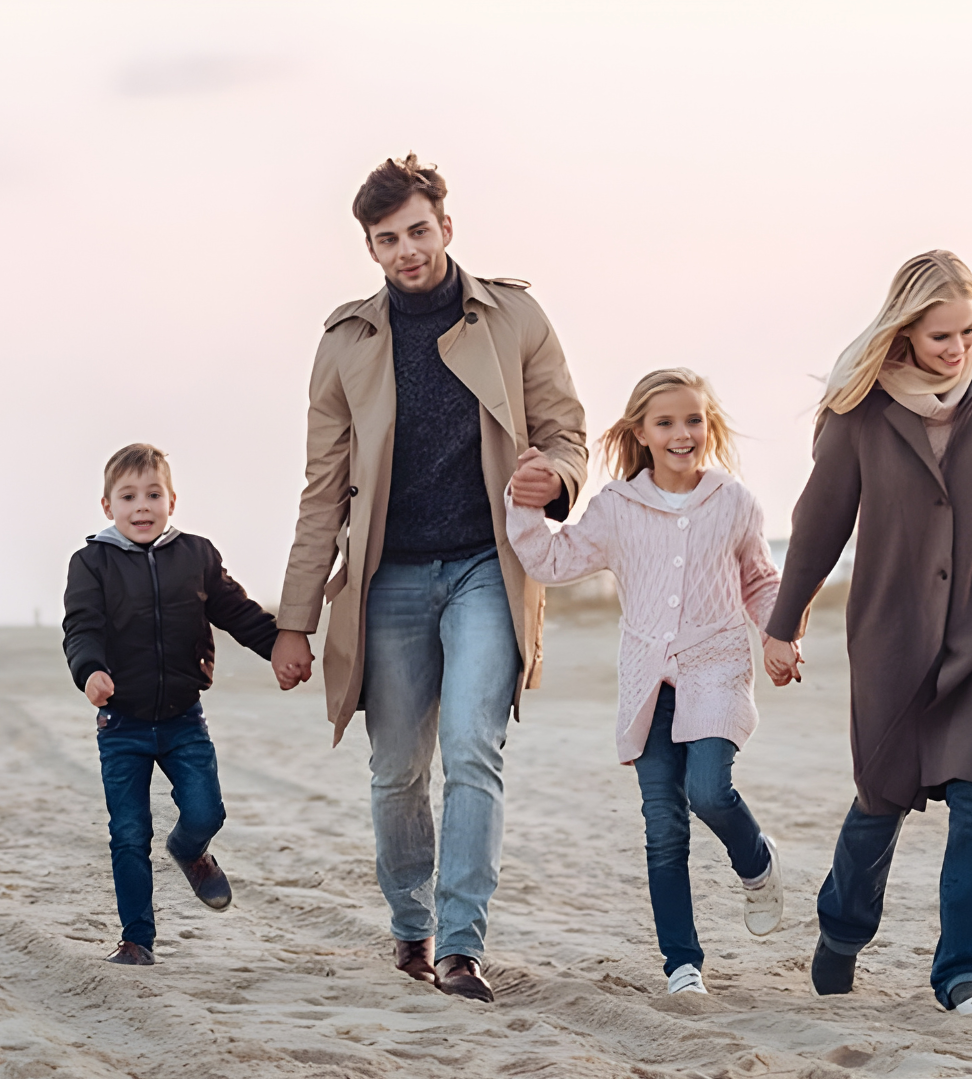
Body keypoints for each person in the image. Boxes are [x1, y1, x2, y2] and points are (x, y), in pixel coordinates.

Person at [271, 155, 589, 1002]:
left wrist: (553, 477)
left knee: (474, 751)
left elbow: (565, 431)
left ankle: (460, 945)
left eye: (418, 230)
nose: (407, 250)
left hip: (490, 565)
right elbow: (322, 488)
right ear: (370, 249)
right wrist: (295, 619)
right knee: (396, 771)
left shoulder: (514, 317)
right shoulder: (347, 342)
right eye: (388, 240)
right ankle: (410, 925)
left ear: (446, 226)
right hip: (391, 580)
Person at [762, 250, 972, 1015]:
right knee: (880, 799)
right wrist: (786, 623)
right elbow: (819, 525)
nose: (959, 349)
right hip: (892, 635)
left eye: (968, 332)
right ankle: (841, 929)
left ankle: (966, 972)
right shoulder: (862, 409)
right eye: (941, 337)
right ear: (904, 332)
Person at [506, 369, 784, 996]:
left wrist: (778, 634)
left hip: (715, 668)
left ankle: (756, 861)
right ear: (640, 433)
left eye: (693, 420)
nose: (682, 433)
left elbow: (760, 580)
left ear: (707, 426)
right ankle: (683, 965)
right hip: (646, 683)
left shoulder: (733, 500)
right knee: (663, 826)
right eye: (665, 422)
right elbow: (552, 560)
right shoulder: (616, 508)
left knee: (710, 791)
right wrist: (525, 505)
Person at [62, 444, 283, 965]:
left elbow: (238, 612)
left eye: (153, 494)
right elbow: (81, 628)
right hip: (122, 723)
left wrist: (279, 648)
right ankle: (137, 939)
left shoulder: (197, 555)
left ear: (172, 500)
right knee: (129, 833)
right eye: (129, 496)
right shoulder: (91, 562)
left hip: (184, 718)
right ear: (107, 506)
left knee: (208, 810)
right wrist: (89, 671)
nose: (142, 506)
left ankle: (189, 850)